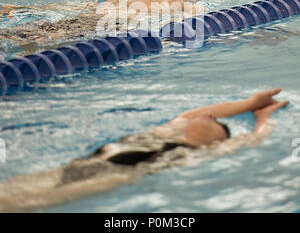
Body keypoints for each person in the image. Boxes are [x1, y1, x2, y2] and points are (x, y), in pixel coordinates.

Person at [0, 88, 288, 212]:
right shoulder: (159, 134)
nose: (209, 116)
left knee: (19, 205)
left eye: (216, 122)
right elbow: (189, 114)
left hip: (115, 176)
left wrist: (263, 119)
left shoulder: (201, 151)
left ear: (218, 139)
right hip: (81, 164)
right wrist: (250, 103)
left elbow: (253, 140)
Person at [0, 0, 205, 53]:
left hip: (111, 24)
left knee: (33, 39)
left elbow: (195, 20)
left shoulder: (184, 5)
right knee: (22, 34)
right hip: (87, 20)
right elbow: (73, 6)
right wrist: (25, 9)